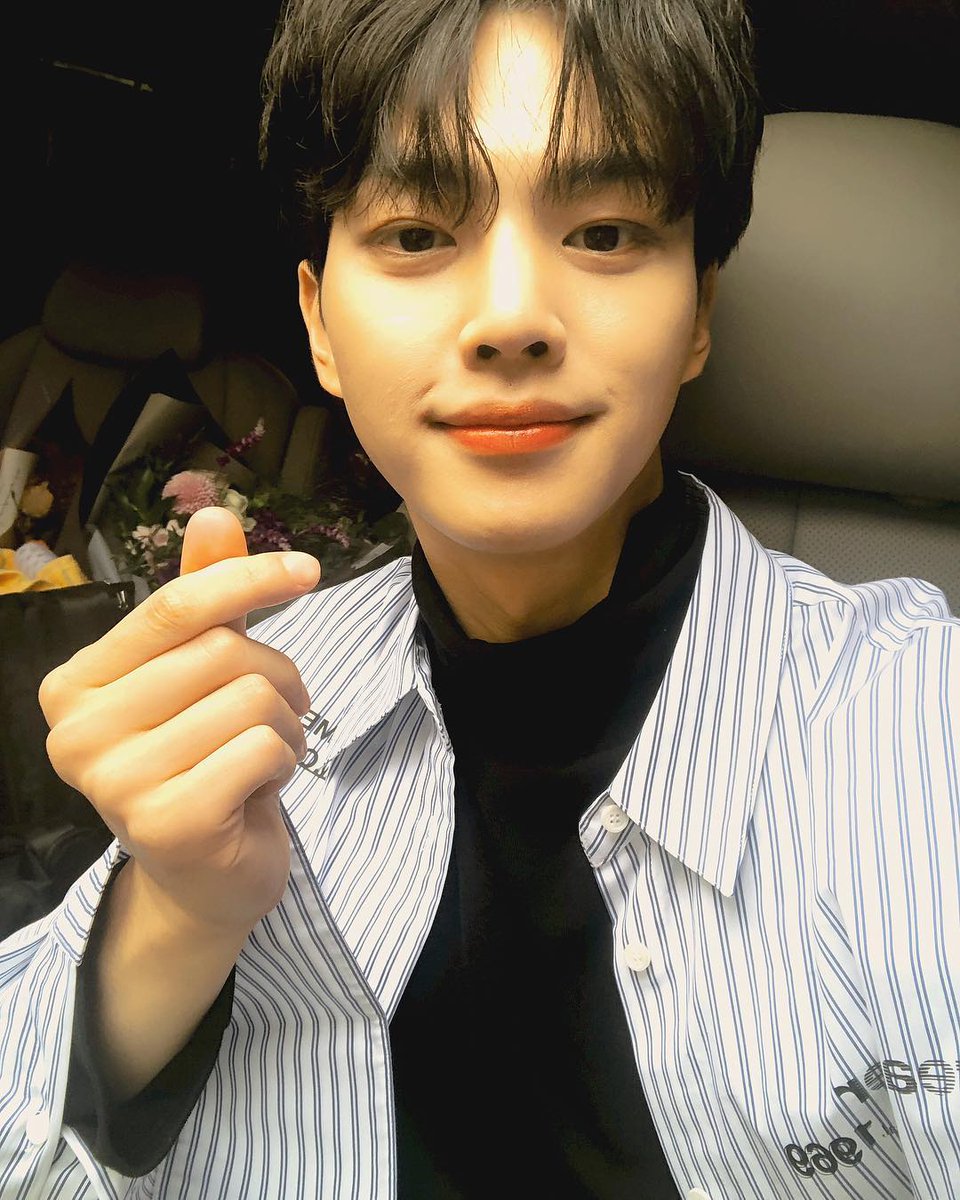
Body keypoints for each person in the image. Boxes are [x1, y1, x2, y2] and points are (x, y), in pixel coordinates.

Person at [1, 0, 958, 1196]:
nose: (510, 318)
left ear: (700, 314)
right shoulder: (243, 706)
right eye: (415, 235)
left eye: (605, 233)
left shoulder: (916, 723)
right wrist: (177, 912)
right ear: (320, 326)